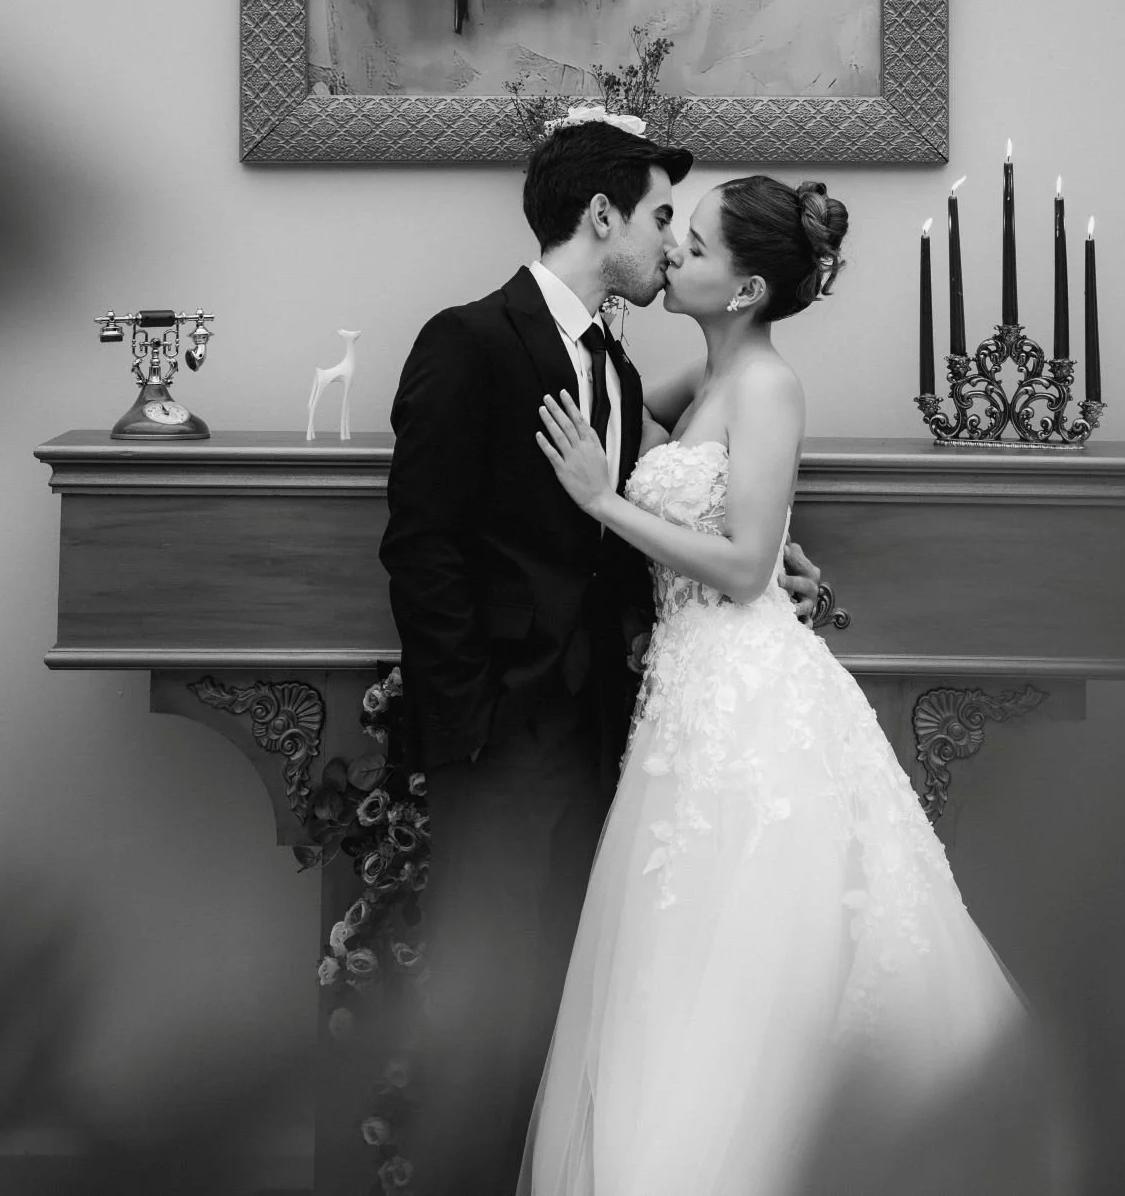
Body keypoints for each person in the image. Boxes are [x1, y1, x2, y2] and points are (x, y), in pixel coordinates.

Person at [520, 175, 1026, 1196]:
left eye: (694, 246)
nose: (672, 253)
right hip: (687, 688)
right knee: (682, 957)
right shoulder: (693, 383)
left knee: (750, 941)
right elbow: (667, 449)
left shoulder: (768, 386)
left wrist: (603, 503)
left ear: (746, 290)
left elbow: (745, 565)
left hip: (746, 690)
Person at [379, 119, 825, 1196]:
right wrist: (464, 726)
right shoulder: (470, 341)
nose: (673, 244)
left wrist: (773, 558)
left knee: (573, 1025)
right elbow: (422, 548)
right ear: (602, 217)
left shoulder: (621, 371)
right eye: (664, 217)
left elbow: (649, 516)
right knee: (478, 1023)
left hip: (612, 746)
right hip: (499, 743)